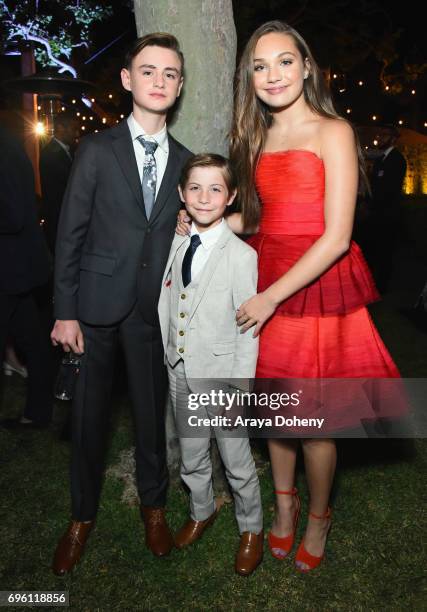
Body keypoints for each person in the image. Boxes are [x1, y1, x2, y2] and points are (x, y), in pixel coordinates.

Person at [227, 21, 400, 572]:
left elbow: (337, 236)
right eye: (260, 65)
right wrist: (208, 221)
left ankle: (319, 515)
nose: (272, 74)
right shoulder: (255, 136)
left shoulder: (334, 130)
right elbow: (259, 218)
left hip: (314, 284)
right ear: (249, 78)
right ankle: (284, 507)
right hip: (269, 277)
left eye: (284, 61)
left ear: (306, 68)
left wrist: (269, 299)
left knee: (313, 421)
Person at [50, 33, 192, 576]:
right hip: (93, 310)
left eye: (170, 74)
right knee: (88, 420)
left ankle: (154, 509)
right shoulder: (97, 150)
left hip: (152, 315)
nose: (160, 81)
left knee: (151, 418)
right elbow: (70, 233)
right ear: (128, 79)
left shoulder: (183, 161)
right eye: (149, 71)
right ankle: (81, 517)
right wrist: (65, 310)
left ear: (179, 87)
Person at [158, 154, 263, 576]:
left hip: (221, 377)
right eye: (195, 189)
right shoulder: (178, 239)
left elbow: (247, 327)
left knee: (236, 460)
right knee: (192, 452)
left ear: (231, 196)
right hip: (180, 368)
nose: (205, 197)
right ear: (182, 196)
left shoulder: (240, 256)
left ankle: (251, 527)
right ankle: (201, 510)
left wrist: (239, 387)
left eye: (216, 189)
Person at [0, 125, 53, 429]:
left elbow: (13, 215)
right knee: (33, 341)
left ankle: (38, 412)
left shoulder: (5, 147)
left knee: (32, 342)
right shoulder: (9, 142)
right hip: (16, 269)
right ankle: (37, 412)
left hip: (9, 268)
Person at [366, 126, 407, 293]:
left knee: (385, 252)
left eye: (384, 135)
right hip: (377, 214)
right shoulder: (380, 159)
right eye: (379, 135)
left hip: (388, 215)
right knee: (376, 250)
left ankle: (382, 287)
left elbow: (388, 189)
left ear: (392, 139)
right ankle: (374, 284)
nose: (380, 138)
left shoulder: (396, 160)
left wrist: (373, 204)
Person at [39, 112, 79, 254]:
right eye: (74, 129)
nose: (77, 133)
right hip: (59, 219)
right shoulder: (50, 154)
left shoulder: (70, 151)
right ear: (61, 128)